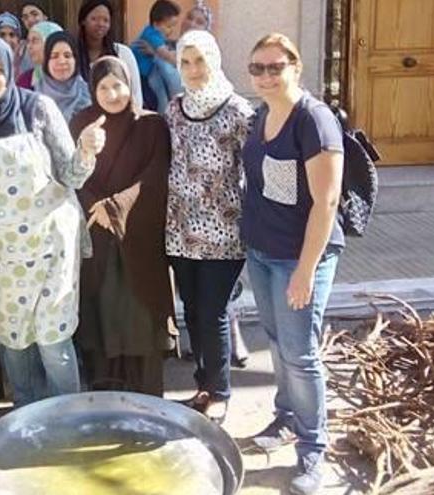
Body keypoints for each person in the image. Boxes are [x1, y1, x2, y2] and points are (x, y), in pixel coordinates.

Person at [0, 36, 105, 408]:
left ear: (11, 70)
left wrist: (86, 150)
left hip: (52, 245)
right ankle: (26, 421)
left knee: (53, 340)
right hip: (4, 255)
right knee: (15, 342)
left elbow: (70, 176)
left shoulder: (38, 109)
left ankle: (67, 418)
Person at [242, 33, 344, 495]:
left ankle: (312, 450)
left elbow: (326, 203)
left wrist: (305, 271)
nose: (265, 76)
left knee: (300, 355)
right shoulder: (262, 115)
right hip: (263, 252)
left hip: (298, 258)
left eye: (274, 67)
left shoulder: (313, 120)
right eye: (257, 68)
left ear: (295, 68)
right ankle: (285, 417)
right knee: (278, 341)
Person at [165, 30, 254, 423]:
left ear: (214, 60)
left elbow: (255, 169)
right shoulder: (174, 108)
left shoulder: (237, 110)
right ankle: (203, 384)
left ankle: (219, 392)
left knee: (214, 311)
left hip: (223, 232)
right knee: (194, 312)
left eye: (199, 60)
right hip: (180, 231)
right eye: (185, 61)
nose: (193, 69)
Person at [70, 56, 172, 395]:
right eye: (103, 87)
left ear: (130, 85)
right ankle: (106, 386)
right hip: (96, 234)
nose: (112, 93)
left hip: (138, 233)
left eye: (118, 85)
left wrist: (116, 207)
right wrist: (94, 208)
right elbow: (73, 174)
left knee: (137, 311)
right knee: (102, 311)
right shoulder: (82, 124)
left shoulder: (151, 124)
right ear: (92, 90)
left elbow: (155, 175)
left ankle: (143, 392)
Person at [76, 0, 144, 109]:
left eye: (106, 20)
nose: (101, 24)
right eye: (94, 19)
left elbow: (135, 93)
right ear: (83, 21)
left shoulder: (123, 53)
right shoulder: (73, 55)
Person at [132, 0, 183, 113]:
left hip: (149, 71)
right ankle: (162, 117)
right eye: (169, 26)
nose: (171, 30)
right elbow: (166, 56)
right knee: (161, 97)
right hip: (144, 74)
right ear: (156, 24)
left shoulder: (152, 33)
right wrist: (179, 61)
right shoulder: (152, 34)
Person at [40, 32, 92, 123]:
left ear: (76, 60)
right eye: (54, 56)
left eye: (67, 55)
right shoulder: (33, 97)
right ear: (46, 61)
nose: (62, 61)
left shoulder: (89, 95)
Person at [16, 20, 62, 90]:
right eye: (28, 41)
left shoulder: (70, 79)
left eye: (35, 41)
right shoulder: (25, 80)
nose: (29, 46)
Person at [17, 2, 50, 74]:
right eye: (25, 17)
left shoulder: (58, 42)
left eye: (34, 14)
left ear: (45, 17)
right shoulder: (21, 48)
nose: (30, 20)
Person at [0, 12, 26, 77]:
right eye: (2, 35)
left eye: (12, 35)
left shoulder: (28, 62)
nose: (7, 40)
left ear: (18, 39)